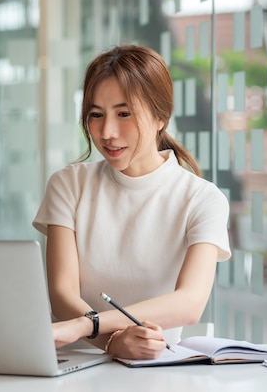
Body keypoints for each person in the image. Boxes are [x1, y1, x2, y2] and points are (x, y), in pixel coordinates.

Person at [32, 44, 231, 360]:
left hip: (153, 365)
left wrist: (91, 326)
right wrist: (110, 343)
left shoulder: (202, 199)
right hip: (71, 363)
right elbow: (61, 294)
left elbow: (189, 303)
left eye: (124, 114)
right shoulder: (68, 184)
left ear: (160, 117)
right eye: (96, 115)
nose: (107, 132)